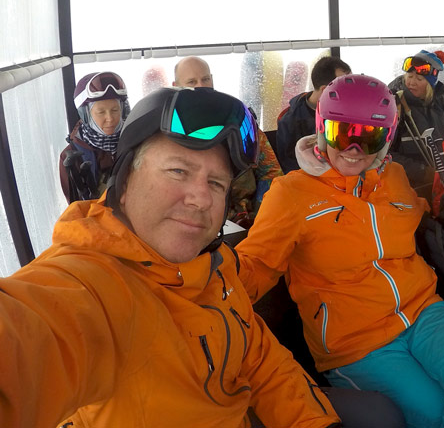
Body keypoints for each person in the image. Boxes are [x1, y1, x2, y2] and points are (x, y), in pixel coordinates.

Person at [1, 87, 341, 427]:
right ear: (125, 179)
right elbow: (30, 339)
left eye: (216, 183)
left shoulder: (214, 265)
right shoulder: (92, 284)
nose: (202, 199)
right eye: (178, 171)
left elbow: (260, 358)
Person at [236, 74, 444, 428]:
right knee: (431, 412)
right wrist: (202, 296)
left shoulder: (394, 177)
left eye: (369, 137)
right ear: (322, 128)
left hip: (423, 312)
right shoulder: (291, 194)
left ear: (386, 139)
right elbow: (255, 264)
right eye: (342, 134)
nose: (353, 150)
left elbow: (416, 213)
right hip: (356, 341)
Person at [173, 55, 282, 226]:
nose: (201, 87)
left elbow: (271, 171)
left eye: (205, 79)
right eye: (192, 82)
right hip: (198, 219)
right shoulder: (170, 129)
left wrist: (261, 216)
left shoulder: (238, 118)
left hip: (253, 219)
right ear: (176, 86)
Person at [388, 49, 444, 192]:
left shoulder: (440, 102)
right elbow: (385, 154)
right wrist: (422, 172)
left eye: (419, 79)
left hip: (443, 182)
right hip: (409, 188)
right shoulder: (395, 106)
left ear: (431, 84)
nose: (412, 82)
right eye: (409, 76)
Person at [59, 71, 130, 203]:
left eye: (115, 110)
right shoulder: (71, 157)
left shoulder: (136, 141)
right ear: (85, 115)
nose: (110, 118)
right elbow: (76, 211)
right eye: (101, 112)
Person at [276, 56, 352, 173]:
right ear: (326, 90)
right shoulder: (290, 121)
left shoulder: (350, 112)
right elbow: (290, 167)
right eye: (344, 88)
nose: (351, 93)